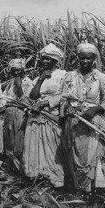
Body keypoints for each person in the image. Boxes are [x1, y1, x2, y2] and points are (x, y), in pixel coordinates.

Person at [57, 43, 105, 197]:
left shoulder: (100, 77)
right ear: (78, 58)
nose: (85, 61)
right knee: (76, 154)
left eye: (88, 58)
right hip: (74, 121)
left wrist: (93, 110)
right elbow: (63, 98)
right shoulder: (70, 76)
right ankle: (80, 188)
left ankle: (94, 189)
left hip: (93, 122)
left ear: (94, 59)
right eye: (82, 58)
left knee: (93, 154)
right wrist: (67, 109)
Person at [22, 43, 66, 188]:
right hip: (36, 117)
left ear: (55, 60)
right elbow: (33, 97)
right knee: (35, 147)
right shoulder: (37, 78)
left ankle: (55, 179)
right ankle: (38, 177)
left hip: (52, 117)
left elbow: (65, 95)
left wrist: (45, 103)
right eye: (43, 59)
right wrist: (40, 79)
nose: (45, 61)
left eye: (48, 59)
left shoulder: (63, 76)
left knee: (52, 148)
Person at [2, 58, 33, 161]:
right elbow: (4, 98)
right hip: (9, 113)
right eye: (14, 70)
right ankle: (11, 165)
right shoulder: (10, 82)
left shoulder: (28, 82)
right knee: (9, 139)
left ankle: (20, 165)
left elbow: (27, 103)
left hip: (20, 113)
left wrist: (19, 87)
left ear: (23, 69)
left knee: (19, 139)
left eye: (19, 69)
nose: (16, 72)